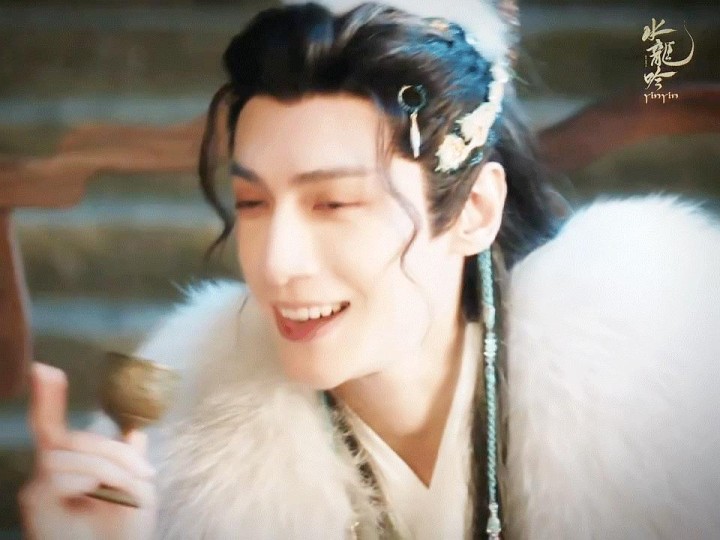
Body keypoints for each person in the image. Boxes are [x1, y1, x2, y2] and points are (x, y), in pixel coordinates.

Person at [19, 1, 720, 539]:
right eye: (252, 203)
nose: (275, 264)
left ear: (474, 210)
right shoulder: (177, 446)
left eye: (334, 203)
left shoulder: (665, 378)